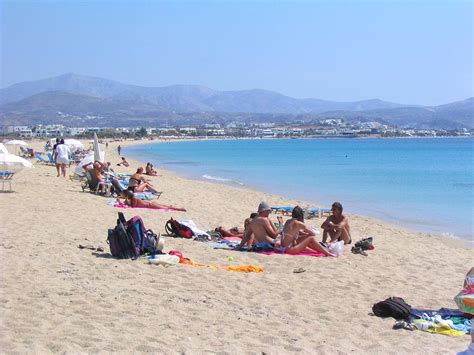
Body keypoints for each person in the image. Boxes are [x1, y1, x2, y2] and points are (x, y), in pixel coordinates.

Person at [118, 190, 186, 211]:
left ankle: (180, 209)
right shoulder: (132, 199)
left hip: (150, 205)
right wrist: (123, 202)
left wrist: (126, 202)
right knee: (166, 206)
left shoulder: (134, 199)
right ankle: (179, 208)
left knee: (166, 208)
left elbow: (133, 206)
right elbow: (128, 204)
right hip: (150, 204)